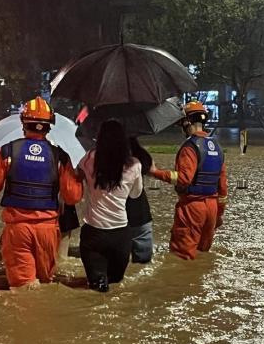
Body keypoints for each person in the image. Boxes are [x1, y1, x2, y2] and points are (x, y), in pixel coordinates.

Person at [0, 97, 83, 290]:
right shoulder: (60, 157)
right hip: (48, 231)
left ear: (24, 123)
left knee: (23, 288)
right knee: (45, 284)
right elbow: (72, 197)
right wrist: (78, 177)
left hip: (18, 231)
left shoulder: (7, 152)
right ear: (49, 127)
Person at [150, 101, 228, 260]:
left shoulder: (189, 147)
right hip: (212, 210)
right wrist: (219, 215)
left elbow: (184, 179)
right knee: (202, 255)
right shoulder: (217, 146)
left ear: (187, 122)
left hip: (192, 208)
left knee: (181, 258)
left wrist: (155, 172)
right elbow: (223, 187)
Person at [78, 120, 143, 292]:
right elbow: (135, 194)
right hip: (120, 236)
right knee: (115, 287)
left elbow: (77, 176)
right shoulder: (135, 165)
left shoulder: (90, 158)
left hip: (94, 234)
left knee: (97, 289)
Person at [126, 138, 154, 263]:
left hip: (113, 218)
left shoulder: (102, 158)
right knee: (143, 265)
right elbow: (152, 170)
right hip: (140, 213)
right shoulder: (141, 156)